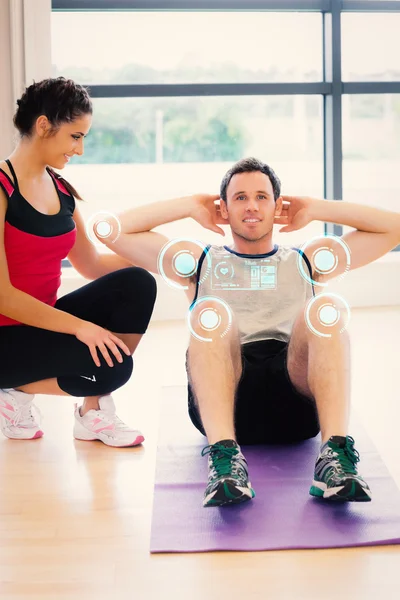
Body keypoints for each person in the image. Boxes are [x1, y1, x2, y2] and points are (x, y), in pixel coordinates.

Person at [94, 157, 400, 504]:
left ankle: (334, 459)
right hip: (225, 401)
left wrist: (316, 208)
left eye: (261, 197)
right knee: (210, 312)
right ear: (223, 209)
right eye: (239, 198)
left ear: (277, 206)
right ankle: (225, 463)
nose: (251, 206)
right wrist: (190, 205)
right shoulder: (199, 261)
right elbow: (112, 231)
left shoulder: (306, 260)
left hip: (294, 401)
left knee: (323, 311)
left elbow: (395, 228)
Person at [0, 77, 156, 447]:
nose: (80, 149)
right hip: (4, 336)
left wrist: (159, 259)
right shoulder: (2, 189)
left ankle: (90, 413)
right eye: (75, 136)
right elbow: (3, 296)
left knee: (136, 283)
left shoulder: (61, 190)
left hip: (39, 325)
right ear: (43, 125)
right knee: (115, 367)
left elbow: (92, 265)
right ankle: (12, 387)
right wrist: (79, 328)